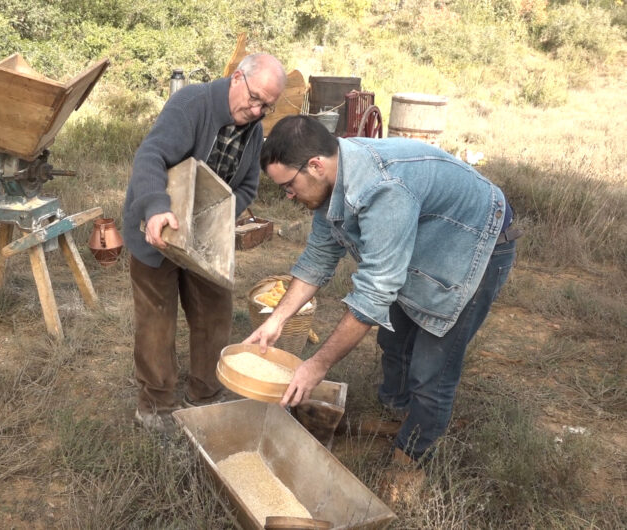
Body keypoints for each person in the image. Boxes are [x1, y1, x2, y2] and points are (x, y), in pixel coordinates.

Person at [244, 115, 521, 499]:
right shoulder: (330, 183)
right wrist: (277, 320)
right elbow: (318, 258)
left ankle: (411, 458)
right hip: (425, 233)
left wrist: (316, 366)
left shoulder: (383, 188)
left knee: (431, 370)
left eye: (288, 185)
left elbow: (374, 292)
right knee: (394, 341)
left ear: (316, 165)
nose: (287, 196)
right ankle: (399, 415)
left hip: (475, 241)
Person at [123, 53, 286, 433]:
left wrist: (215, 216)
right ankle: (156, 405)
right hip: (158, 227)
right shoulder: (191, 104)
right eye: (255, 97)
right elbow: (150, 156)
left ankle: (207, 392)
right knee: (156, 321)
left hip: (205, 237)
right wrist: (157, 209)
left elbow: (245, 187)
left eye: (267, 106)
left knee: (215, 310)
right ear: (236, 78)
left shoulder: (255, 128)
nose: (257, 109)